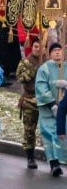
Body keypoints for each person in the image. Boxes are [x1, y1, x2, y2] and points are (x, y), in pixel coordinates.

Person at [33, 42, 66, 176]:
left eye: (59, 50)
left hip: (65, 109)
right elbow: (40, 87)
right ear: (50, 53)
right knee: (49, 134)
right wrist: (52, 103)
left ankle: (61, 159)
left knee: (62, 134)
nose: (58, 52)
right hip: (48, 108)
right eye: (55, 50)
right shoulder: (44, 68)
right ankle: (54, 163)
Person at [15, 39, 44, 170]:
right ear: (32, 47)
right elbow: (20, 77)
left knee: (48, 130)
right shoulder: (25, 62)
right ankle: (30, 157)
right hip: (29, 99)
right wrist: (33, 70)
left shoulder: (47, 61)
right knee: (29, 131)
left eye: (40, 47)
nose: (38, 49)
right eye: (36, 47)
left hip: (44, 99)